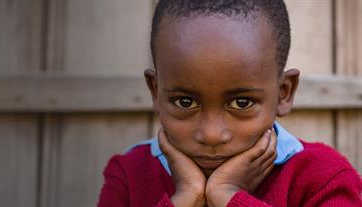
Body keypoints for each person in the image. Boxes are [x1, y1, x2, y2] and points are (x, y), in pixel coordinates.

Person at [97, 0, 362, 206]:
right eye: (185, 102)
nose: (212, 135)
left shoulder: (324, 178)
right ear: (155, 91)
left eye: (242, 102)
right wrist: (185, 199)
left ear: (284, 93)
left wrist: (229, 197)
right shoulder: (129, 175)